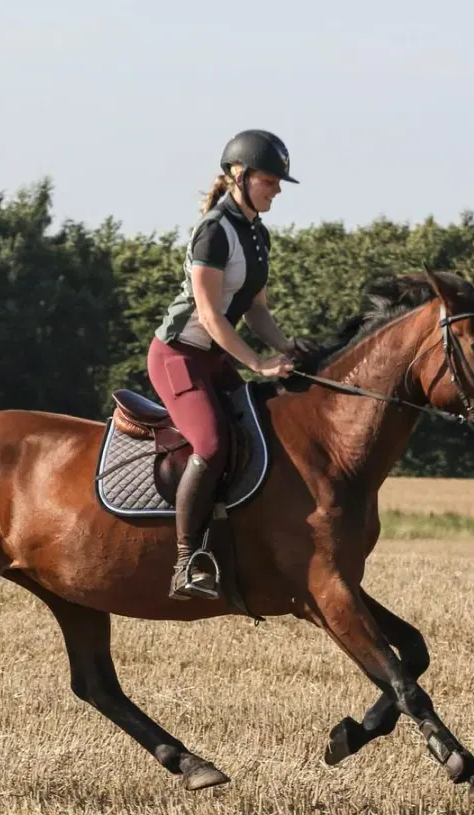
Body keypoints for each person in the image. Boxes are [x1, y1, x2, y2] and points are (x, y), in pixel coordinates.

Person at [148, 129, 317, 601]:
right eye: (271, 179)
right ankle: (185, 562)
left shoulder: (257, 234)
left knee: (259, 430)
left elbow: (255, 309)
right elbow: (209, 315)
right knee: (213, 442)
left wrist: (285, 349)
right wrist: (258, 363)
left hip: (215, 356)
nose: (278, 189)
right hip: (179, 357)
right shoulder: (214, 232)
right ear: (240, 177)